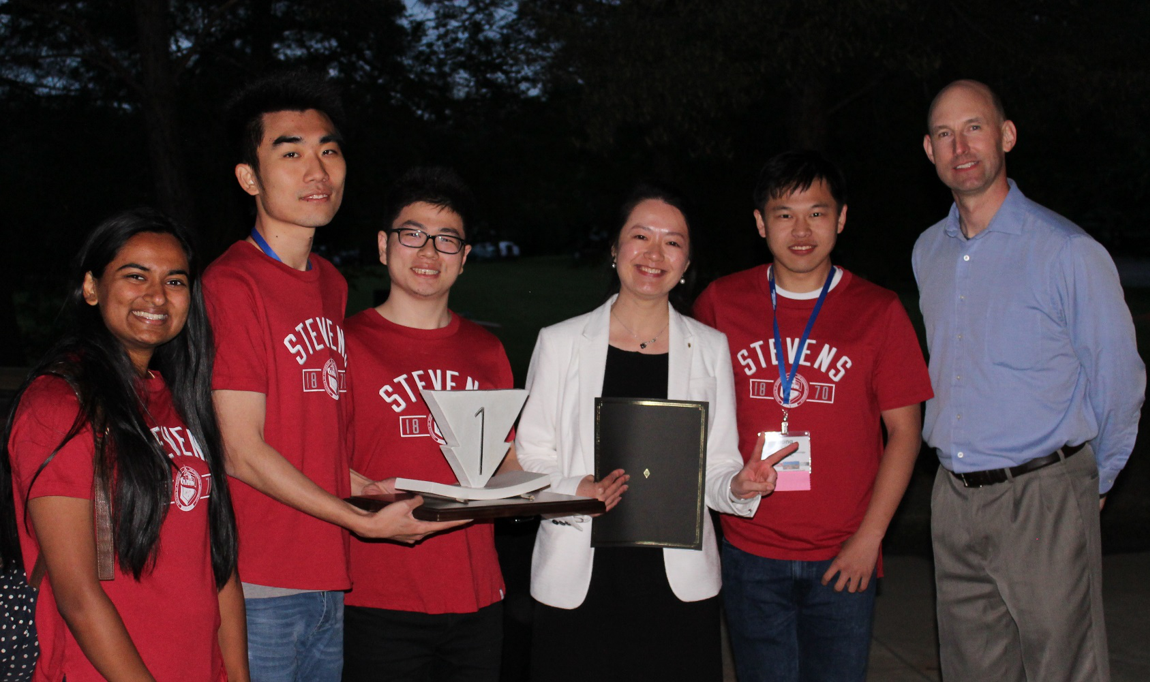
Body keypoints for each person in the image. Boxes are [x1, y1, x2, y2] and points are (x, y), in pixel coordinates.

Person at [203, 72, 461, 682]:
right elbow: (240, 450)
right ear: (249, 177)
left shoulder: (330, 283)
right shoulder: (230, 284)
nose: (316, 170)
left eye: (329, 151)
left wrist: (367, 486)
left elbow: (307, 436)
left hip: (330, 575)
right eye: (290, 153)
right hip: (262, 579)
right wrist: (361, 518)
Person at [913, 79, 1146, 681]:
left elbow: (1118, 378)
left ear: (1006, 135)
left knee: (1064, 670)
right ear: (929, 150)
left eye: (975, 127)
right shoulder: (927, 252)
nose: (960, 145)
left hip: (1043, 496)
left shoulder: (1066, 251)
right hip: (954, 498)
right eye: (945, 133)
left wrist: (1098, 478)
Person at [516, 183, 790, 682]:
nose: (654, 253)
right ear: (615, 249)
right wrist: (575, 489)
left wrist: (738, 485)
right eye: (640, 235)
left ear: (686, 264)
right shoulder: (559, 344)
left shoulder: (709, 348)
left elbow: (716, 466)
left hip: (677, 585)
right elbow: (527, 460)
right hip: (580, 576)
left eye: (673, 241)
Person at [693, 150, 933, 682]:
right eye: (784, 214)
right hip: (750, 549)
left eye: (817, 212)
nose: (801, 230)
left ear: (841, 218)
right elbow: (694, 417)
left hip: (844, 553)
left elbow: (905, 433)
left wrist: (870, 540)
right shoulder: (721, 302)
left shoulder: (879, 310)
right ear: (760, 223)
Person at [1, 208, 247, 681]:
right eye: (136, 276)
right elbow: (77, 594)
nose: (157, 296)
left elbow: (217, 562)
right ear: (91, 287)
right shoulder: (59, 405)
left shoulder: (179, 397)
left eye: (175, 281)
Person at [341, 167, 514, 681]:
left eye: (446, 240)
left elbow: (506, 464)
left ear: (463, 259)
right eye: (412, 234)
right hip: (376, 595)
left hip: (477, 595)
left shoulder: (488, 351)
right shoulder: (343, 345)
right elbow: (312, 459)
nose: (428, 252)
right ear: (383, 245)